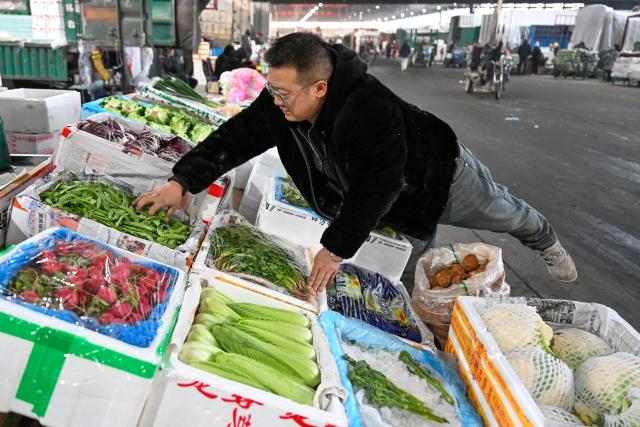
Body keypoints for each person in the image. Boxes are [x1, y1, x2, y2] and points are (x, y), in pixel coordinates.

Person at [134, 32, 577, 294]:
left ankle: (544, 237)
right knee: (401, 271)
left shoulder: (368, 112)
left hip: (439, 176)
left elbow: (377, 187)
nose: (275, 101)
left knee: (506, 215)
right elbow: (234, 137)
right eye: (273, 90)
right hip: (389, 199)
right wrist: (182, 181)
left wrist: (335, 248)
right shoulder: (283, 101)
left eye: (285, 94)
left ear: (320, 88)